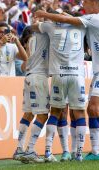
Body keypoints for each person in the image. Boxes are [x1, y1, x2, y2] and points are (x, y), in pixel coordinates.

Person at [35, 0, 99, 161]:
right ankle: (96, 151)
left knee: (95, 108)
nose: (83, 6)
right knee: (90, 110)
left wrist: (44, 14)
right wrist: (63, 15)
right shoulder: (95, 18)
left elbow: (70, 20)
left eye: (86, 2)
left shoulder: (98, 19)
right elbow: (72, 18)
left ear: (94, 3)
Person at [33, 12, 87, 162]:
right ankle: (79, 154)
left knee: (56, 112)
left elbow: (32, 27)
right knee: (80, 113)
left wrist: (45, 20)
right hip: (77, 75)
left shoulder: (50, 27)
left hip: (59, 74)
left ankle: (48, 151)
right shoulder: (82, 26)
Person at [13, 25, 50, 163]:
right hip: (39, 78)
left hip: (28, 77)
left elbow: (25, 64)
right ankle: (30, 150)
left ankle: (19, 149)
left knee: (28, 114)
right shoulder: (46, 37)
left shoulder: (30, 41)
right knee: (43, 115)